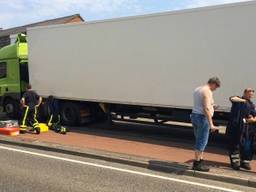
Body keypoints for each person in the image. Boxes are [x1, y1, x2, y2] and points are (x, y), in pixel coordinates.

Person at [191, 77, 221, 172]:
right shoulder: (207, 91)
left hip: (195, 116)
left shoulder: (198, 89)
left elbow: (202, 104)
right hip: (202, 118)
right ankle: (196, 164)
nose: (215, 89)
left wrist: (213, 106)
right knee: (202, 141)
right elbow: (206, 109)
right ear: (213, 83)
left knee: (199, 139)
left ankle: (200, 160)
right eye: (216, 87)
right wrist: (211, 123)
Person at [226, 88, 256, 170]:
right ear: (245, 93)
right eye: (249, 94)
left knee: (247, 145)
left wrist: (252, 119)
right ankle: (235, 162)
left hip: (246, 128)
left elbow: (253, 114)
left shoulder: (251, 104)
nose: (251, 96)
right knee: (234, 144)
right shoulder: (238, 100)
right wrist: (243, 101)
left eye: (252, 95)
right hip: (235, 127)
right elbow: (231, 98)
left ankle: (245, 162)